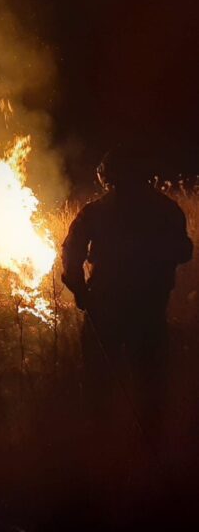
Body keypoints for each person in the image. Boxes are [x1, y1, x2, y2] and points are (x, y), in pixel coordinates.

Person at [61, 149, 193, 441]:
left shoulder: (95, 212)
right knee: (150, 381)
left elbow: (71, 256)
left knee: (100, 382)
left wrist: (80, 290)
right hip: (149, 309)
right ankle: (151, 443)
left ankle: (103, 445)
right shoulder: (166, 209)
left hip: (105, 308)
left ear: (107, 177)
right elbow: (184, 251)